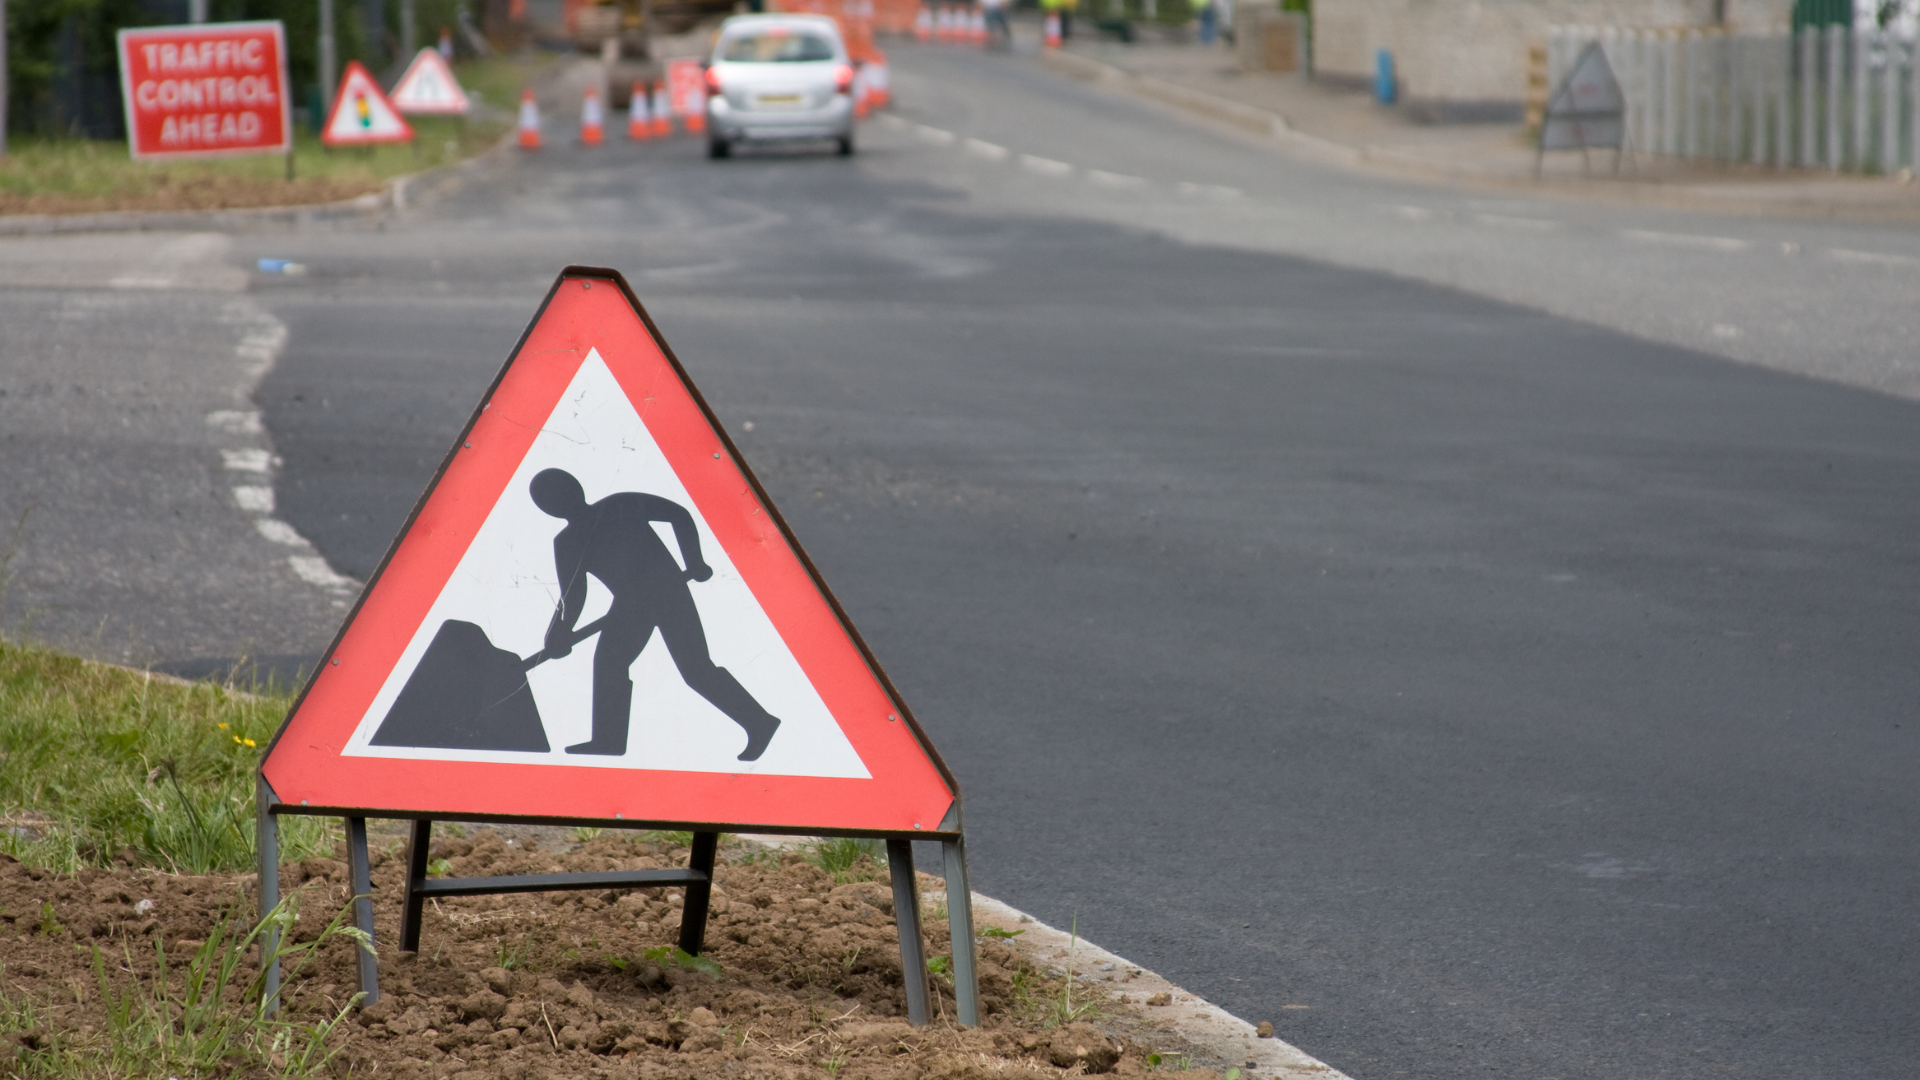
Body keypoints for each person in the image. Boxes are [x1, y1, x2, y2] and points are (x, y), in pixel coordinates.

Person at [531, 468, 781, 761]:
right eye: (549, 499)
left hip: (668, 592)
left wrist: (694, 561)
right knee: (609, 664)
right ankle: (607, 741)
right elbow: (572, 595)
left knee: (696, 669)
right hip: (629, 606)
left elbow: (679, 514)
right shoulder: (567, 542)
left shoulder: (619, 505)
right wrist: (557, 634)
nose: (557, 502)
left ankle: (759, 722)